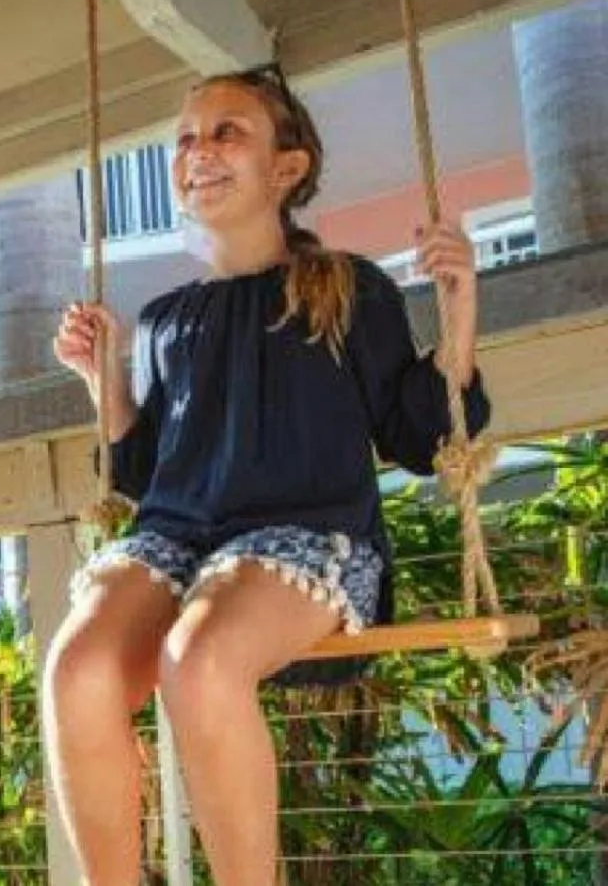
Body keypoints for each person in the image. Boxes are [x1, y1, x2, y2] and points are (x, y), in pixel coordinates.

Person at [42, 64, 489, 886]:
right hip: (181, 541)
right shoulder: (167, 320)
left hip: (310, 535)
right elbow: (148, 474)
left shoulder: (346, 286)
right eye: (185, 139)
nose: (198, 152)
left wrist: (458, 314)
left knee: (201, 658)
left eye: (226, 133)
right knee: (78, 670)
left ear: (288, 168)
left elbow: (419, 434)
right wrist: (101, 381)